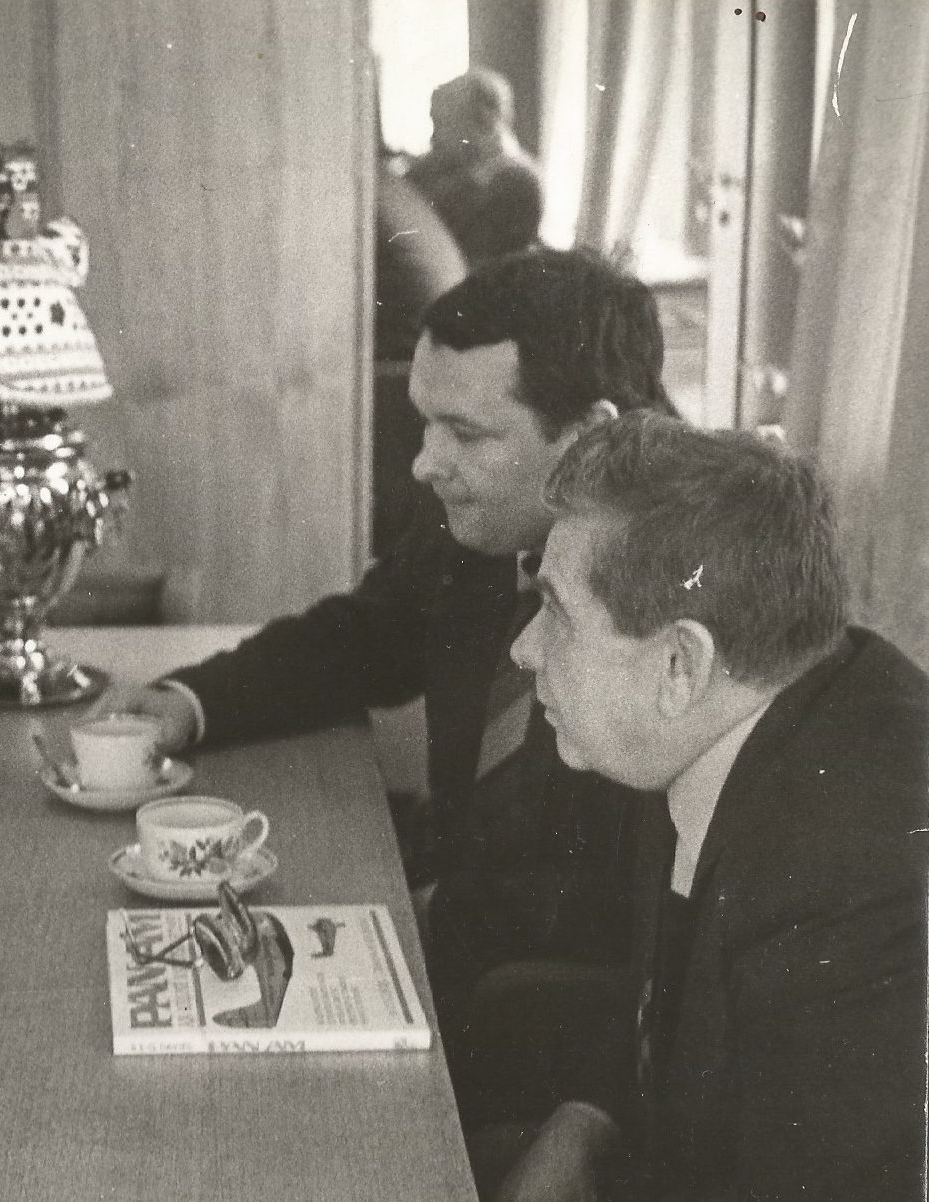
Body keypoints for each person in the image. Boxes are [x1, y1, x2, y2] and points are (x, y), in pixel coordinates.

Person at [108, 248, 672, 1051]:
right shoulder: (496, 520)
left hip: (555, 1034)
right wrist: (189, 702)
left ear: (590, 437)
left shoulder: (686, 602)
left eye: (466, 434)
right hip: (436, 936)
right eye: (426, 423)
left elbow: (642, 939)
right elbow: (366, 635)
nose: (424, 463)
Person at [489, 415, 925, 1202]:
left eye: (555, 613)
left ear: (680, 665)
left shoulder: (857, 857)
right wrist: (587, 1118)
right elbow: (678, 993)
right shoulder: (743, 710)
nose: (522, 647)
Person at [407, 68, 544, 267]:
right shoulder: (448, 166)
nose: (434, 137)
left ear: (485, 121)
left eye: (443, 123)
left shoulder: (518, 182)